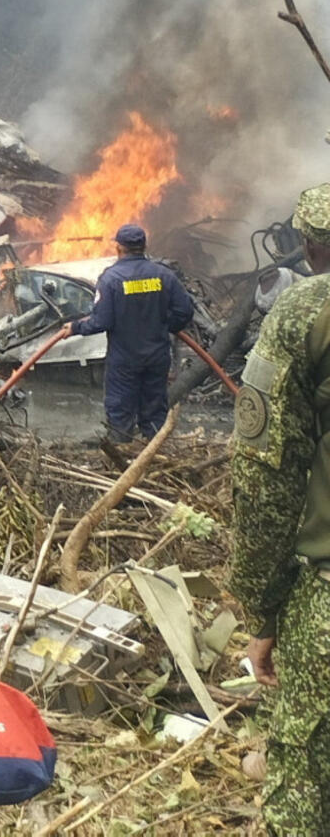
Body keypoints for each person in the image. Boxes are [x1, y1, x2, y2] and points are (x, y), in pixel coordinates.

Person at [229, 183, 330, 834]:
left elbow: (264, 481)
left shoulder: (306, 311)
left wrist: (260, 608)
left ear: (309, 245)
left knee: (301, 795)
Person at [67, 224, 194, 442]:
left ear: (118, 248)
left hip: (125, 360)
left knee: (120, 411)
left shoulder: (111, 279)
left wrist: (75, 327)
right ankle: (154, 458)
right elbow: (185, 311)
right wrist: (164, 325)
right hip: (157, 356)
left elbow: (102, 321)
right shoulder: (164, 275)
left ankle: (122, 456)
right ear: (144, 246)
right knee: (154, 411)